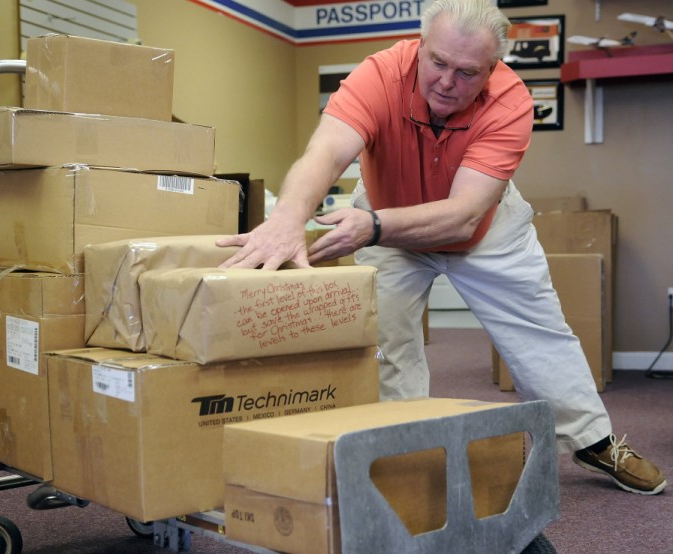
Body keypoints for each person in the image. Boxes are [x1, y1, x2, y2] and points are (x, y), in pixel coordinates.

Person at [217, 0, 666, 495]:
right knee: (385, 341)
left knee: (538, 333)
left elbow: (463, 214)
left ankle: (593, 440)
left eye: (467, 72)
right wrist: (286, 219)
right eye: (438, 63)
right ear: (420, 46)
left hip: (483, 229)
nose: (447, 82)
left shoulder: (511, 102)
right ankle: (402, 450)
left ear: (492, 69)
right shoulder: (379, 74)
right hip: (387, 214)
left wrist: (373, 226)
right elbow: (324, 150)